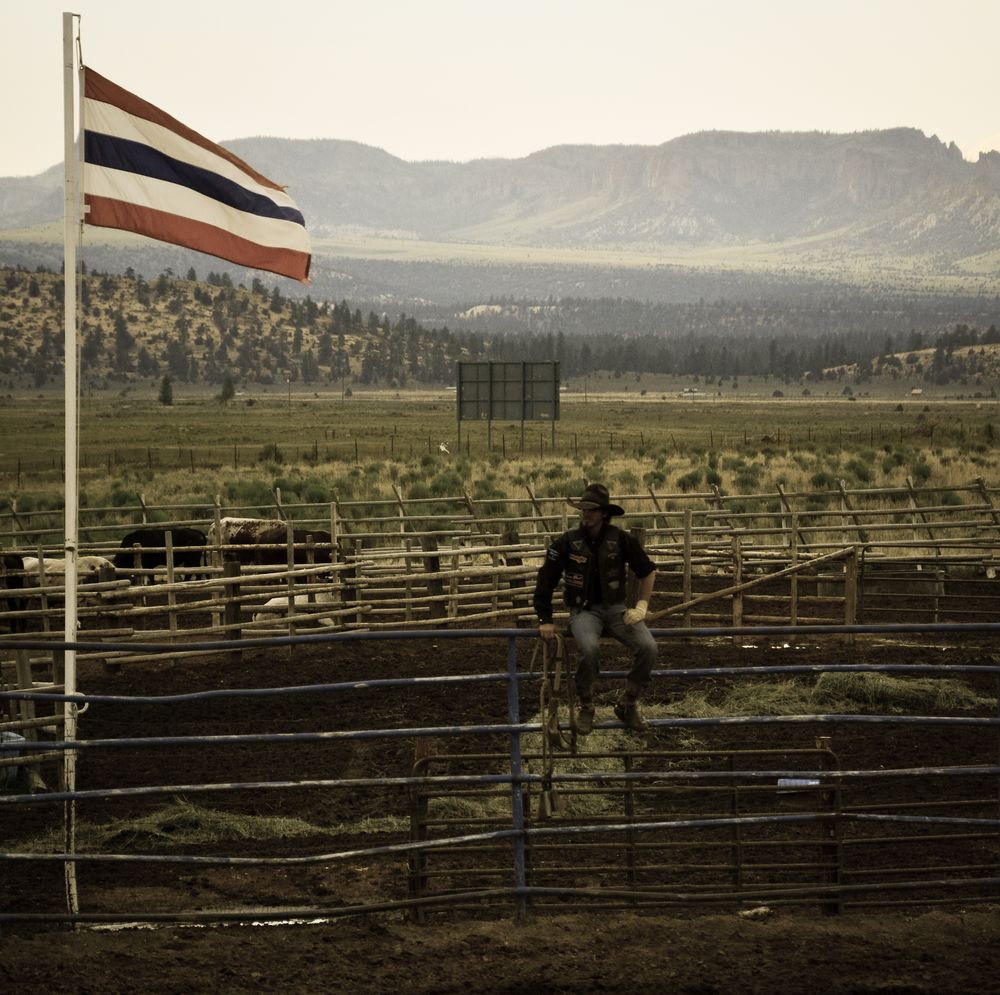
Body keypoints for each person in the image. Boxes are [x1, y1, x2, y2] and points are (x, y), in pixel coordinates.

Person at [533, 483, 658, 735]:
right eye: (583, 509)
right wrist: (545, 618)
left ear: (603, 513)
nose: (586, 514)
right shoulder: (568, 542)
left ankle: (628, 703)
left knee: (649, 647)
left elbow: (647, 570)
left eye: (592, 510)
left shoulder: (621, 540)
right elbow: (545, 578)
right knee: (589, 648)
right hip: (583, 611)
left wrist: (642, 606)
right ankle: (586, 705)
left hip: (616, 609)